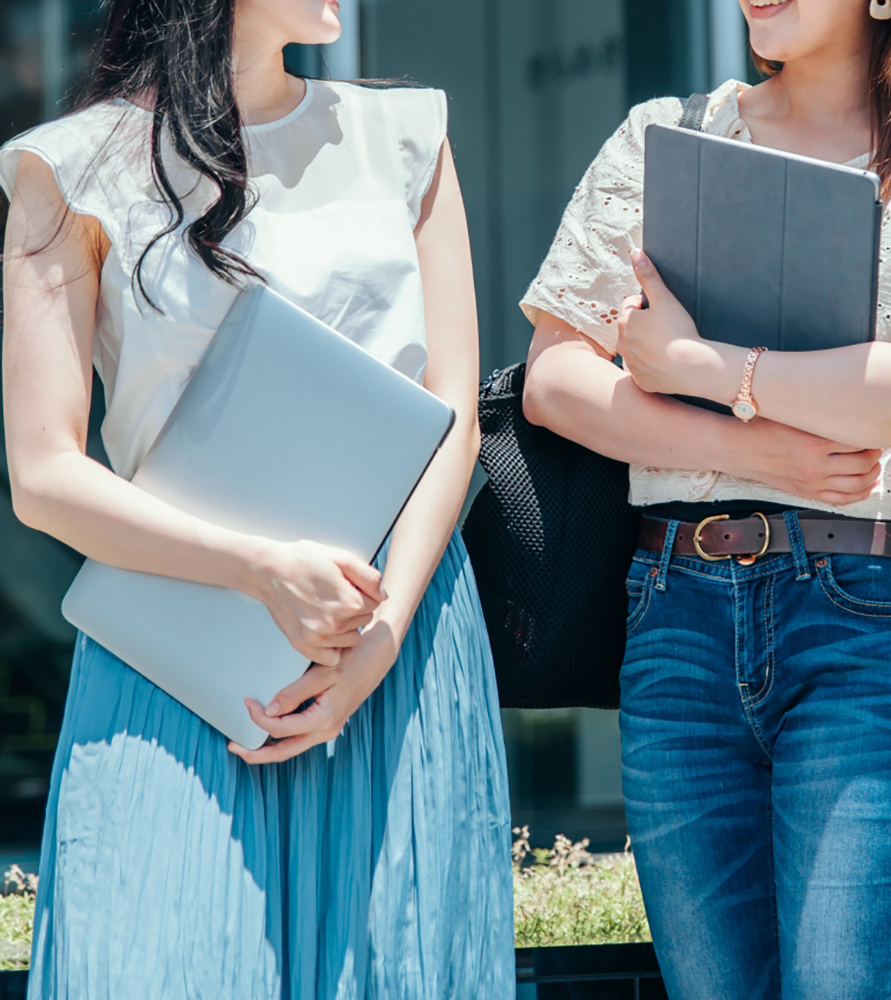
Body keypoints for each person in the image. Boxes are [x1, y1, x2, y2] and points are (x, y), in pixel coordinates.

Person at [519, 0, 891, 995]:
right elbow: (555, 380)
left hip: (873, 623)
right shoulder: (664, 136)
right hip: (675, 619)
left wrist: (693, 361)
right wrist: (766, 450)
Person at [0, 1, 512, 996]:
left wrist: (388, 630)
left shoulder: (408, 135)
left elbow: (454, 410)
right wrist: (259, 568)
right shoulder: (67, 168)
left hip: (387, 649)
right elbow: (43, 476)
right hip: (175, 656)